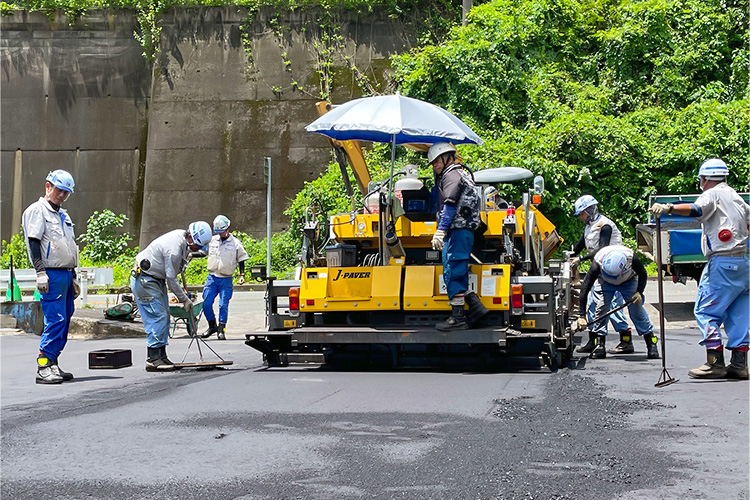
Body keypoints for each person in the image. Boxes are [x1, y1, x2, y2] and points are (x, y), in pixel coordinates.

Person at [650, 158, 749, 379]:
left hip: (722, 263)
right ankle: (740, 364)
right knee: (739, 314)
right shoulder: (736, 197)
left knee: (706, 310)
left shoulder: (711, 194)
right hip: (743, 262)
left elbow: (696, 209)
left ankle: (715, 362)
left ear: (704, 179)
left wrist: (669, 207)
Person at [131, 221, 213, 371]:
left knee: (165, 315)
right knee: (158, 315)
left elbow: (176, 270)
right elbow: (172, 280)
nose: (198, 249)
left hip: (156, 278)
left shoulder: (183, 241)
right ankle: (153, 358)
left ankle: (161, 355)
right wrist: (185, 300)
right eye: (198, 246)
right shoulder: (174, 249)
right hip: (144, 279)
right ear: (191, 239)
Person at [22, 170, 79, 384]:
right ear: (48, 187)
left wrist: (72, 275)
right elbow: (34, 242)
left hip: (65, 273)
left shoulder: (63, 215)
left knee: (65, 319)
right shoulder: (37, 211)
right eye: (59, 190)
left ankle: (53, 361)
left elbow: (69, 246)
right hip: (50, 274)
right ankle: (43, 365)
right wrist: (40, 271)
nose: (62, 196)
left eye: (66, 193)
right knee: (55, 319)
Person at [428, 142, 488, 331]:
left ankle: (458, 318)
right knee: (455, 268)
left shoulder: (452, 176)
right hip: (462, 229)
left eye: (437, 161)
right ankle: (475, 306)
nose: (435, 165)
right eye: (433, 163)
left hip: (458, 229)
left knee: (453, 268)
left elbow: (450, 204)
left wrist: (441, 229)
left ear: (447, 158)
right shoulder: (460, 174)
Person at [570, 195, 634, 356]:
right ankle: (593, 341)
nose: (581, 217)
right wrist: (571, 255)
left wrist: (581, 259)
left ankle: (626, 341)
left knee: (612, 306)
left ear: (589, 211)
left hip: (615, 269)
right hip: (601, 267)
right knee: (594, 304)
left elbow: (603, 250)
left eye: (582, 214)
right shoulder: (590, 225)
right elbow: (582, 242)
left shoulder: (605, 226)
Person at [577, 245, 660, 360]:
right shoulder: (597, 263)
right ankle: (600, 345)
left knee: (637, 310)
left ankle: (651, 343)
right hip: (605, 283)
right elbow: (585, 288)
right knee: (601, 309)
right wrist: (581, 315)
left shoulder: (631, 258)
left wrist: (639, 292)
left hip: (628, 281)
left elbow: (643, 274)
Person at [201, 215, 249, 340]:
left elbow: (242, 259)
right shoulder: (212, 241)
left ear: (227, 228)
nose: (220, 234)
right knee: (206, 303)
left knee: (223, 305)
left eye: (222, 231)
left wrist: (242, 275)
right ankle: (212, 326)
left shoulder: (235, 243)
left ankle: (221, 329)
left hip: (226, 279)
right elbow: (203, 251)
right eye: (218, 232)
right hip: (212, 277)